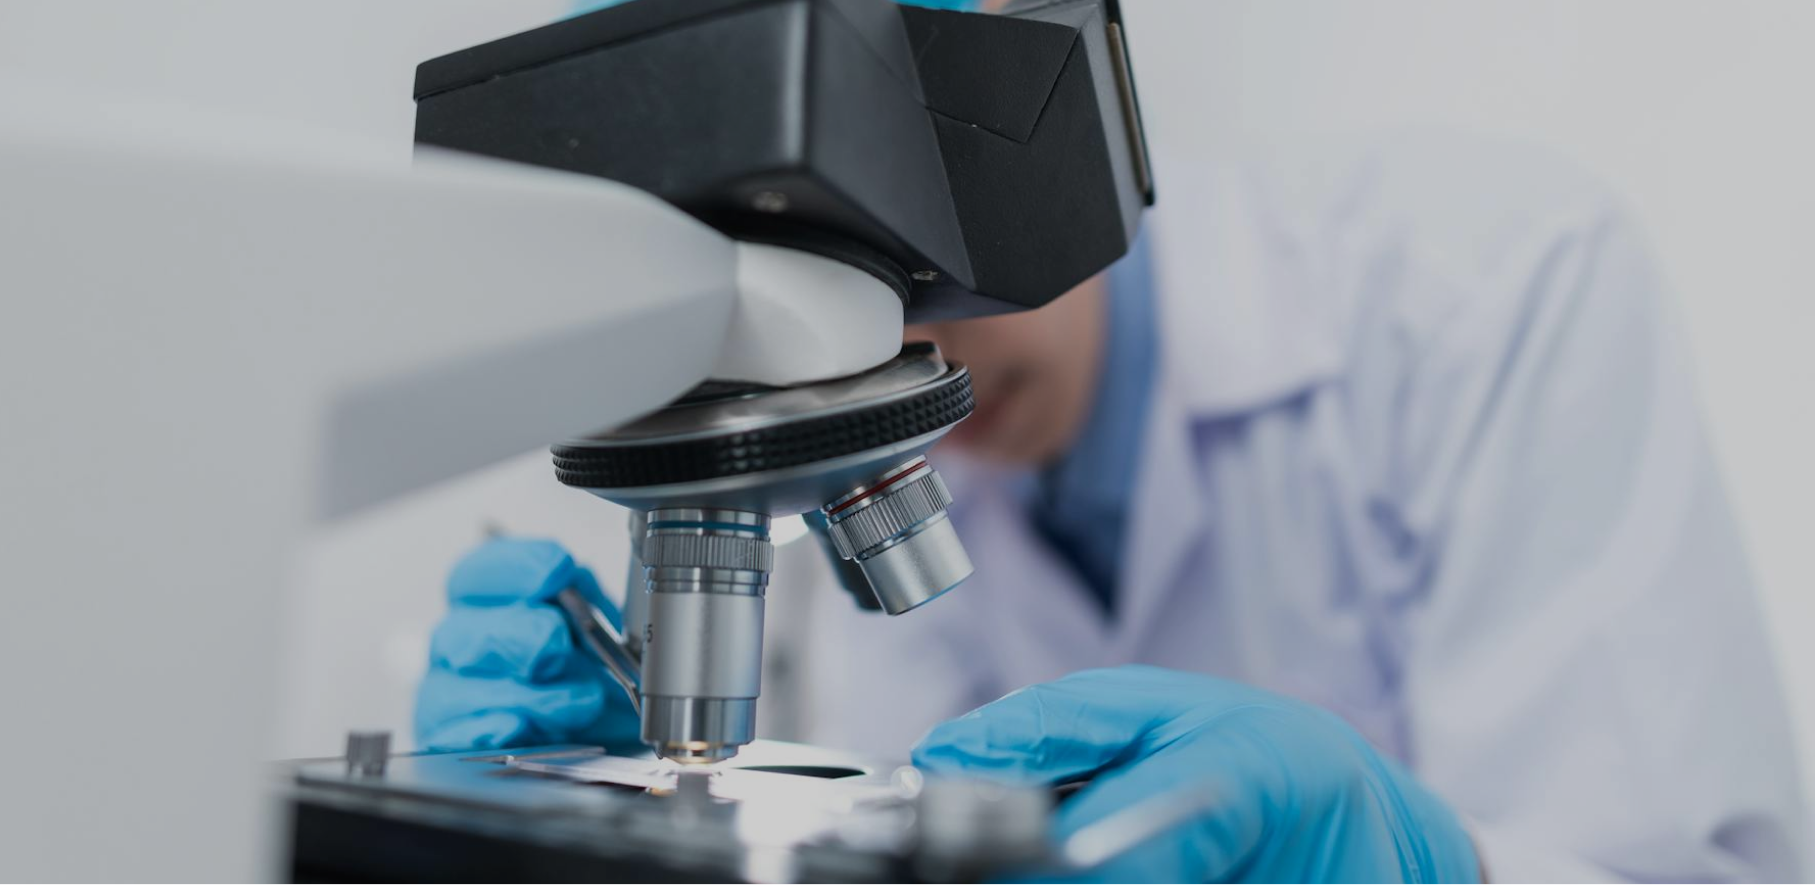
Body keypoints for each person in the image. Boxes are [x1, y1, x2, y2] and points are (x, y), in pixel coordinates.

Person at [413, 3, 1808, 884]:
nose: (922, 377)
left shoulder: (1490, 286)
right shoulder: (919, 466)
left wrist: (1424, 869)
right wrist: (607, 821)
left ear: (1028, 76)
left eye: (899, 311)